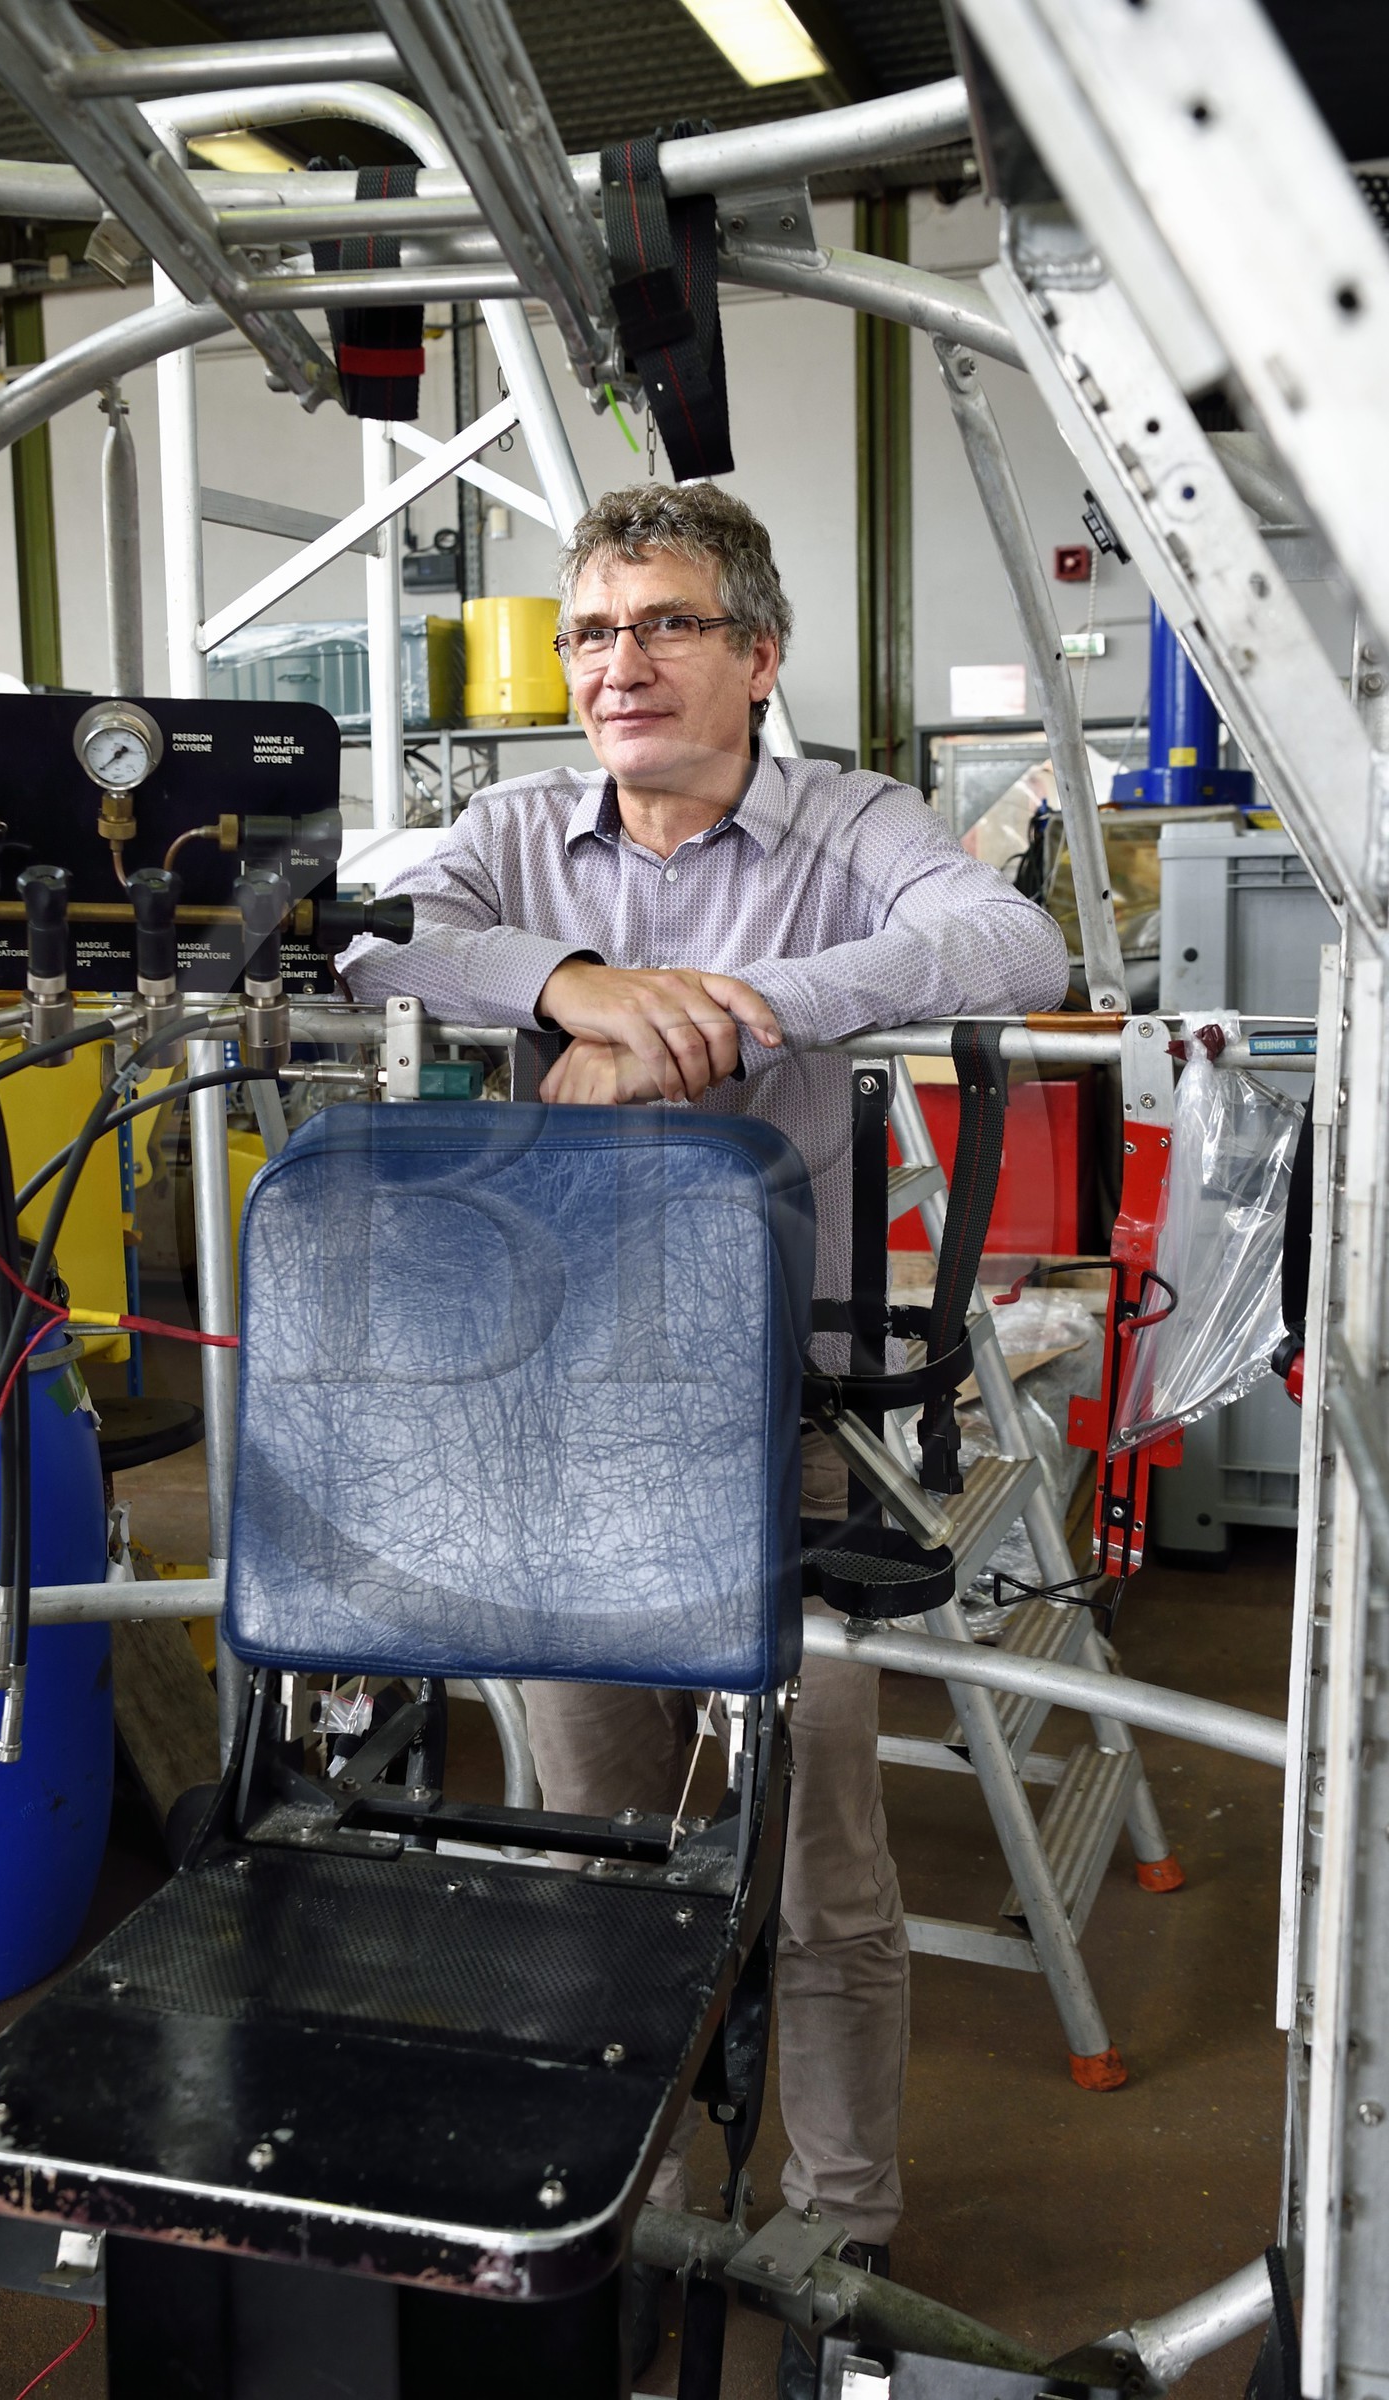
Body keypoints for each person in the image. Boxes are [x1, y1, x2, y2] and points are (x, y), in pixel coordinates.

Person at [340, 482, 1069, 2394]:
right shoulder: (511, 831)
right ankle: (632, 2201)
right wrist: (581, 987)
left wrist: (732, 1012)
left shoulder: (848, 826)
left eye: (662, 625)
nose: (616, 665)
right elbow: (374, 954)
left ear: (757, 653)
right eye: (589, 633)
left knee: (815, 1862)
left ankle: (837, 2221)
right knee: (590, 1855)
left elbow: (1013, 947)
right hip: (543, 1428)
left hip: (765, 1420)